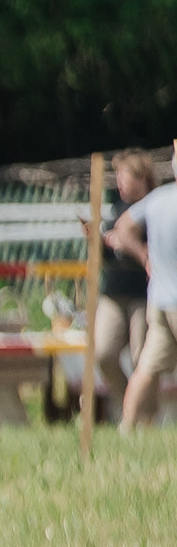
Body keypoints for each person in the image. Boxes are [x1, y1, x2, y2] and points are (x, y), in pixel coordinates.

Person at [109, 151, 177, 434]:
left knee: (146, 368)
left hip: (157, 298)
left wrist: (143, 255)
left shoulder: (158, 198)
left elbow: (122, 228)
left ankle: (127, 428)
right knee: (145, 367)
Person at [100, 152, 162, 424]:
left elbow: (157, 255)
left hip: (144, 295)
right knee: (104, 353)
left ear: (142, 178)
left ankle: (145, 421)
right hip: (113, 293)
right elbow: (106, 257)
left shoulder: (158, 207)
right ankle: (130, 408)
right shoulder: (116, 210)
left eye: (124, 176)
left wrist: (128, 246)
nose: (119, 183)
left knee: (143, 360)